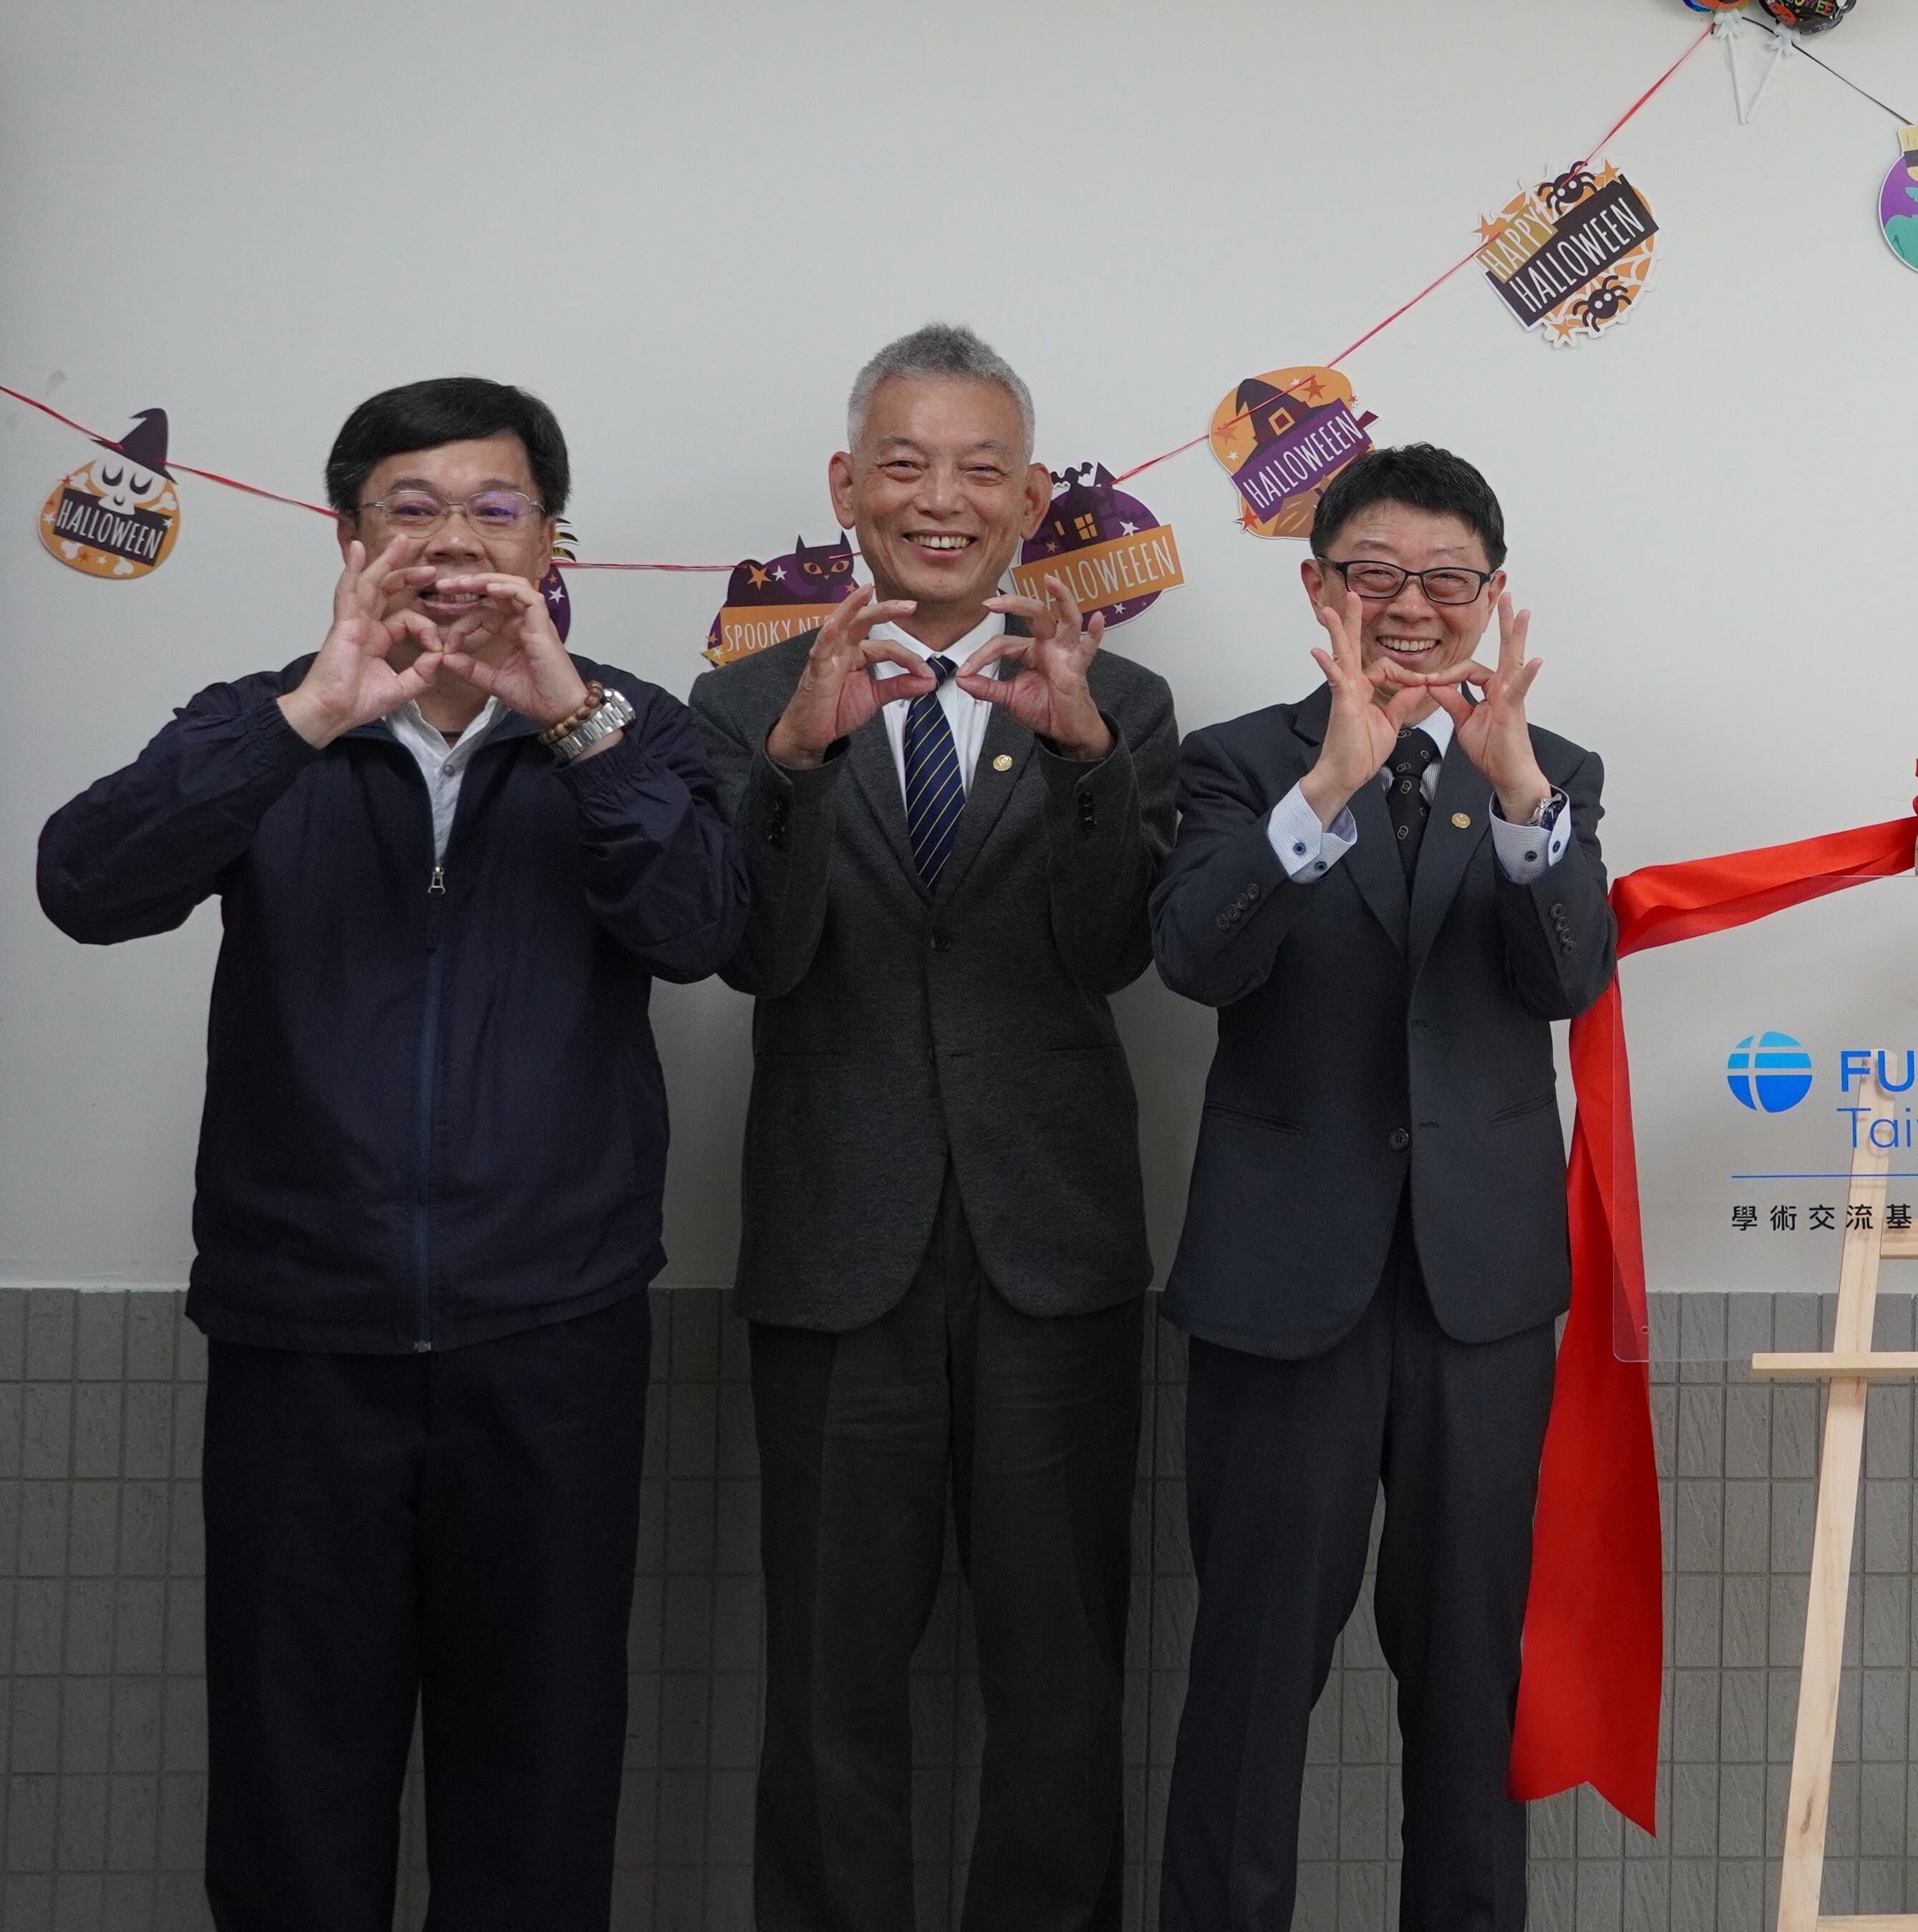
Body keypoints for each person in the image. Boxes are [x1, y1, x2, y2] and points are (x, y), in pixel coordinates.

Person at [35, 377, 746, 1930]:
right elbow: (83, 885)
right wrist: (309, 721)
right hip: (306, 1333)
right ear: (348, 536)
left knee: (541, 1781)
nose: (455, 541)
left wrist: (570, 716)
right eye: (411, 509)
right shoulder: (262, 721)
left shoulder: (626, 726)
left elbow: (702, 930)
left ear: (553, 539)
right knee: (296, 1785)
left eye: (498, 508)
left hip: (553, 1333)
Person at [686, 325, 1179, 1932]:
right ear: (848, 486)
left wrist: (1089, 756)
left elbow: (1118, 953)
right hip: (839, 1253)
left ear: (1034, 497)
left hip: (1055, 1250)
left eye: (981, 469)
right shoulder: (744, 698)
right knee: (831, 1680)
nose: (942, 499)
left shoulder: (1124, 699)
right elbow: (750, 953)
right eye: (906, 464)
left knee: (1061, 1679)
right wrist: (797, 764)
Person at [1149, 442, 1617, 1931]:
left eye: (1448, 582)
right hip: (1285, 1291)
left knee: (1475, 1675)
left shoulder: (1549, 776)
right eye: (1377, 578)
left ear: (1490, 601)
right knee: (1252, 1672)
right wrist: (1328, 787)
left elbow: (1566, 981)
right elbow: (1198, 961)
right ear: (1320, 589)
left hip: (1479, 1296)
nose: (1413, 608)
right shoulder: (1232, 761)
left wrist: (1528, 800)